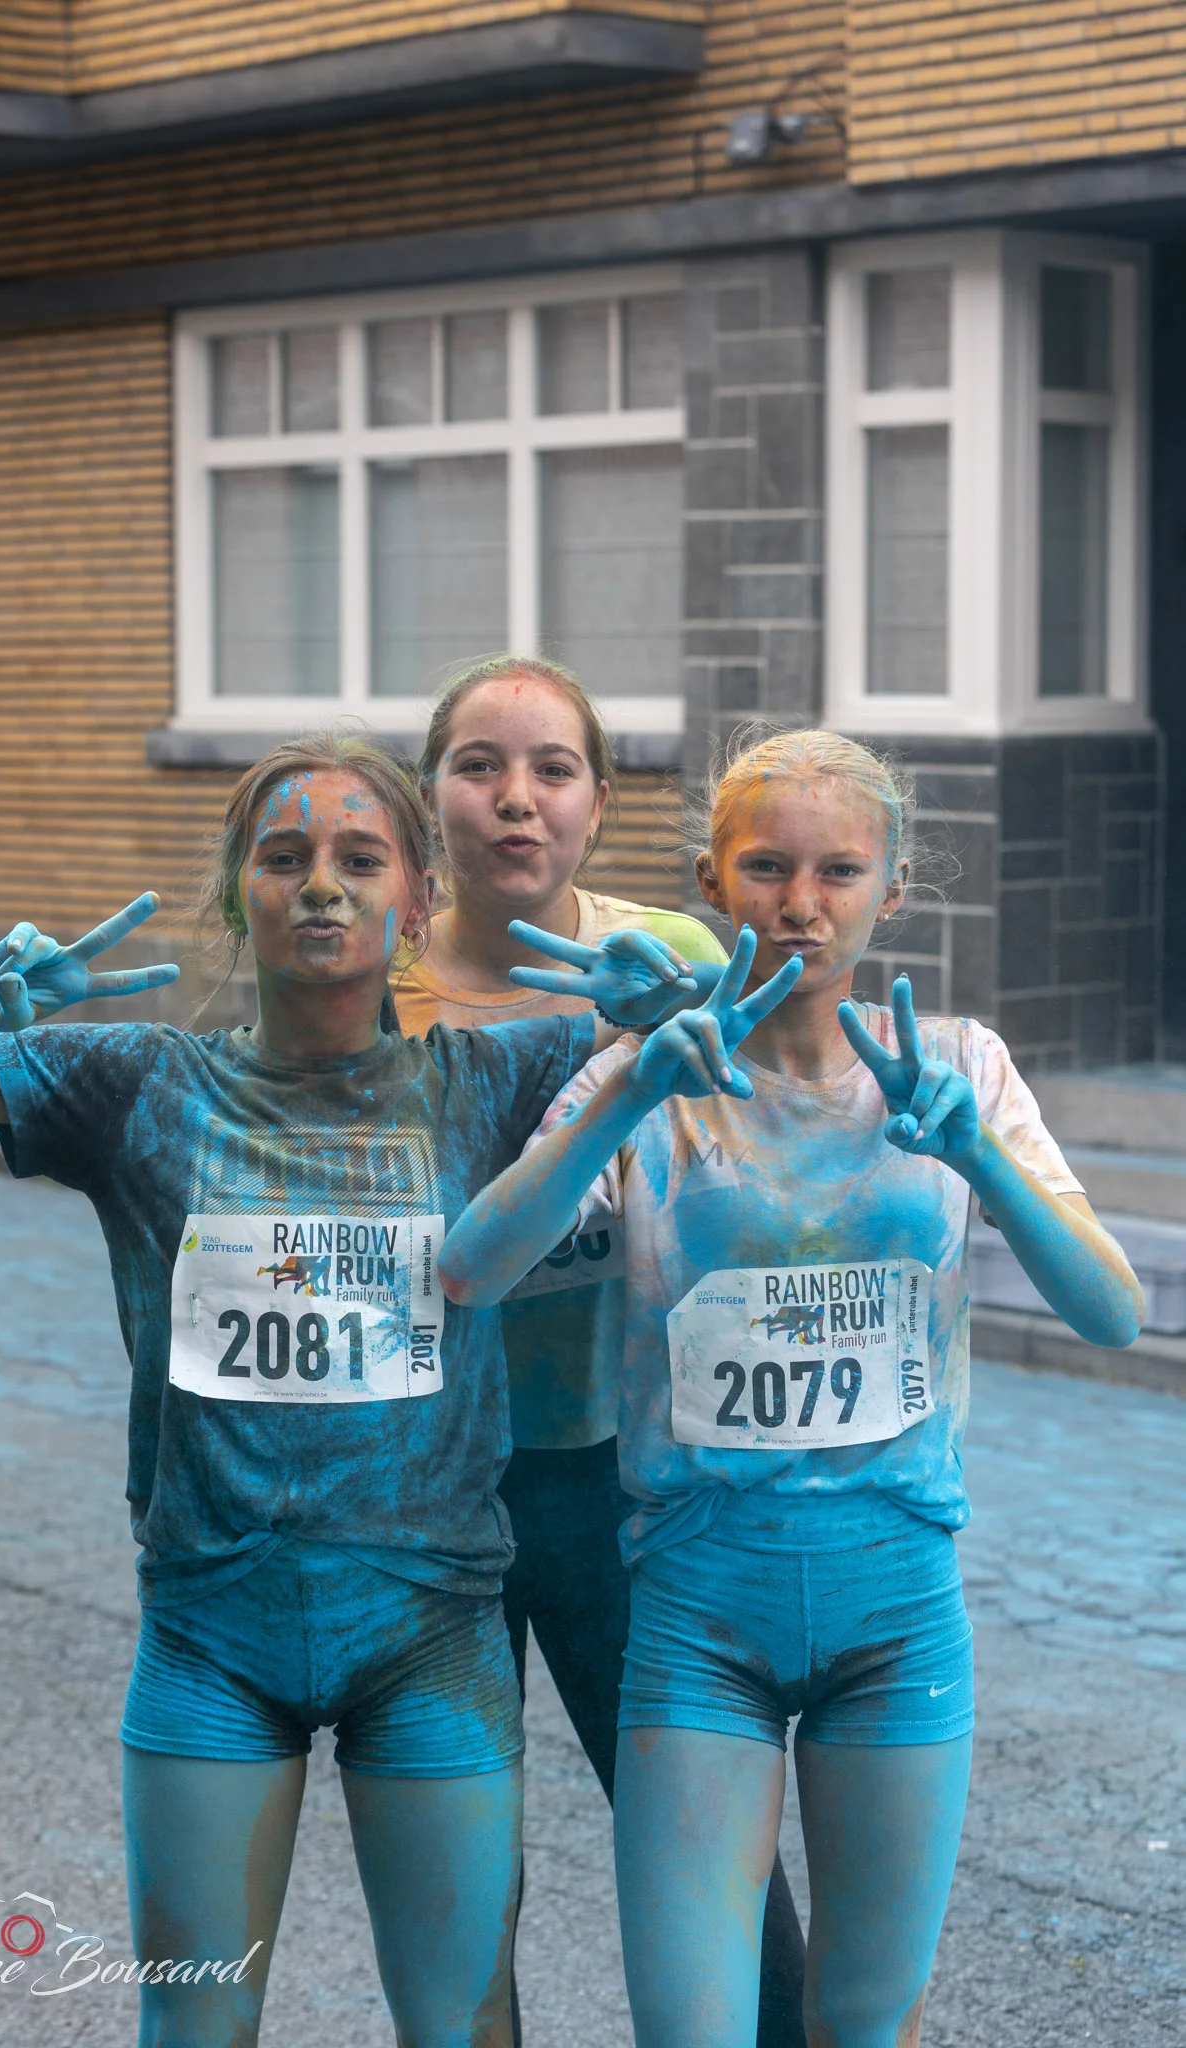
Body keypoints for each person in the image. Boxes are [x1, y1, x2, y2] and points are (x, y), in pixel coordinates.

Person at [0, 733, 699, 2048]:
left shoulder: (496, 1076)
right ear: (239, 896)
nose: (323, 885)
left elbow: (730, 1028)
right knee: (194, 2030)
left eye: (361, 859)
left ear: (416, 899)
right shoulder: (136, 1082)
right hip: (209, 1640)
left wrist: (667, 988)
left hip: (433, 1636)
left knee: (458, 2027)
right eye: (284, 858)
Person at [439, 728, 1144, 2048]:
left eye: (839, 871)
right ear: (713, 879)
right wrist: (624, 1089)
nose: (801, 903)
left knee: (866, 2025)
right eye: (765, 867)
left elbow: (1115, 1312)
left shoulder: (960, 1066)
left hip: (899, 1616)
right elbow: (472, 1270)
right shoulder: (658, 1075)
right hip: (698, 1618)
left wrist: (981, 1158)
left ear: (894, 886)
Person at [398, 654, 809, 2045]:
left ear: (597, 801)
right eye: (479, 766)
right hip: (431, 1489)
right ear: (433, 795)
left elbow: (789, 1156)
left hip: (625, 1485)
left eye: (552, 769)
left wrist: (683, 1028)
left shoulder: (676, 956)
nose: (516, 798)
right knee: (463, 1892)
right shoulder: (376, 985)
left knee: (710, 1858)